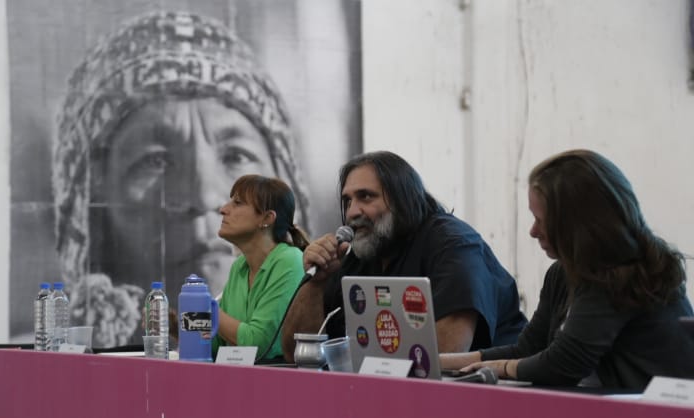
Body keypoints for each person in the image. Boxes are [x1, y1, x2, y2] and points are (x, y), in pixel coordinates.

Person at [52, 11, 310, 347]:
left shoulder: (292, 275)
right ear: (90, 195)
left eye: (236, 156)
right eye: (156, 160)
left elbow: (255, 340)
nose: (204, 197)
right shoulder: (55, 353)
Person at [441, 149, 694, 390]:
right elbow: (527, 350)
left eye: (541, 221)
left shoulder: (619, 278)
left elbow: (564, 363)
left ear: (577, 225)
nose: (533, 231)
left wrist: (501, 367)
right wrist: (437, 361)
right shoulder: (561, 274)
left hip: (659, 416)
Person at [281, 150, 527, 362]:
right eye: (347, 200)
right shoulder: (360, 252)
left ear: (402, 199)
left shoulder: (454, 244)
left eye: (366, 196)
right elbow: (296, 354)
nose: (353, 212)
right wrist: (317, 282)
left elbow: (445, 352)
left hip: (495, 389)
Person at [213, 175, 309, 361]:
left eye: (237, 203)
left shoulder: (290, 261)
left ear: (266, 218)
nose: (223, 209)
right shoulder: (239, 266)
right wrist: (181, 328)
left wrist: (205, 310)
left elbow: (257, 344)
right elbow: (217, 347)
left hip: (277, 376)